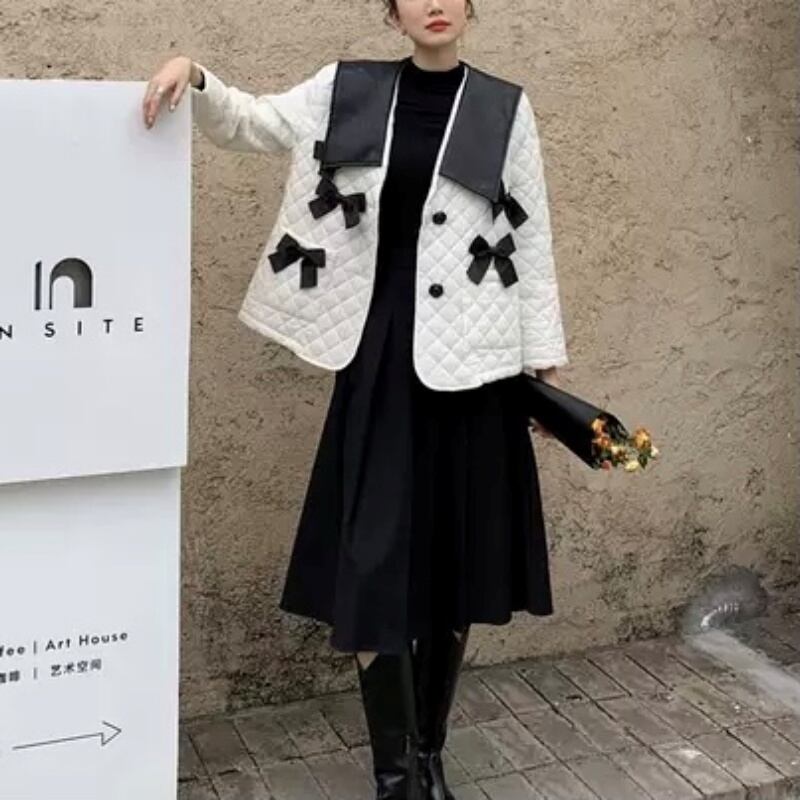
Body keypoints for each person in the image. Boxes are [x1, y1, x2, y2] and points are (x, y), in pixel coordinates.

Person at [143, 1, 568, 797]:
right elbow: (255, 124)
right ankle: (395, 775)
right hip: (378, 363)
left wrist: (541, 362)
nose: (434, 3)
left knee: (452, 562)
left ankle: (429, 758)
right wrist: (195, 77)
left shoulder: (502, 109)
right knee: (374, 562)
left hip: (473, 366)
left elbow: (532, 236)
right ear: (393, 12)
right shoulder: (350, 89)